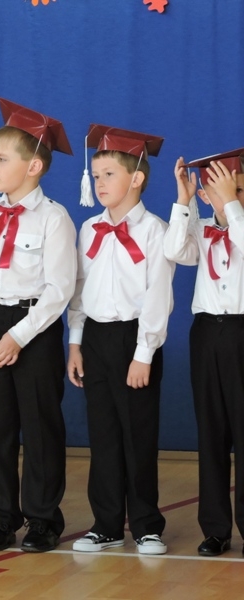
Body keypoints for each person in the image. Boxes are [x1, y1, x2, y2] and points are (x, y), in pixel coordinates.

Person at [0, 98, 77, 553]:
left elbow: (59, 288)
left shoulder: (54, 218)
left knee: (41, 428)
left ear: (34, 167)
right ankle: (2, 517)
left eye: (2, 159)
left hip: (34, 329)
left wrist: (18, 336)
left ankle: (43, 518)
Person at [68, 125, 174, 555]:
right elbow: (78, 289)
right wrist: (76, 343)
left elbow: (158, 295)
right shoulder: (88, 228)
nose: (100, 183)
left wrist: (144, 352)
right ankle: (106, 524)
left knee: (138, 434)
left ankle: (147, 525)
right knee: (103, 433)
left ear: (137, 178)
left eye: (109, 175)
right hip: (95, 338)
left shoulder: (155, 230)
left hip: (135, 339)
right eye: (96, 176)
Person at [164, 149, 244, 557]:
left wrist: (232, 206)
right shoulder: (202, 227)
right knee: (211, 432)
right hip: (207, 333)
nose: (230, 196)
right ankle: (215, 529)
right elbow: (174, 250)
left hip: (242, 331)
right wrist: (185, 200)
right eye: (222, 190)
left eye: (238, 189)